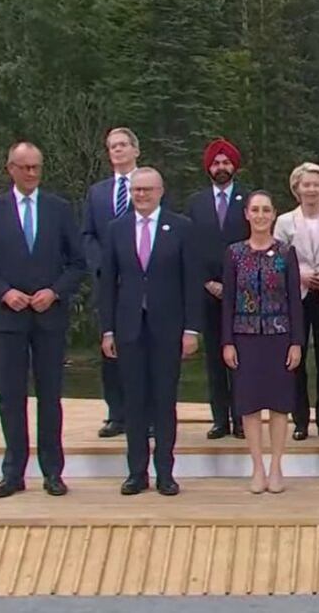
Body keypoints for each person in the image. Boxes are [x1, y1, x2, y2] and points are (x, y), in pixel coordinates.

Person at [0, 141, 86, 498]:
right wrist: (5, 292)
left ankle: (53, 472)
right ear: (11, 169)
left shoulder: (59, 209)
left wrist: (54, 291)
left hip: (49, 317)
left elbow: (77, 264)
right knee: (11, 396)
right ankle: (14, 472)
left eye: (37, 167)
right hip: (9, 318)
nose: (32, 174)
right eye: (25, 167)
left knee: (50, 396)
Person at [99, 167, 202, 496]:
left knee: (163, 401)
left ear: (160, 191)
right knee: (134, 401)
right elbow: (107, 285)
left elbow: (191, 283)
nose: (141, 195)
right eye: (136, 190)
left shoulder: (181, 228)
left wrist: (191, 329)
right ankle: (136, 472)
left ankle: (165, 473)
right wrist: (107, 330)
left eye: (147, 189)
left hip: (167, 327)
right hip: (128, 327)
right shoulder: (117, 229)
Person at [222, 191, 304, 493]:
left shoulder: (285, 253)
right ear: (246, 214)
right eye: (254, 210)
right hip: (244, 336)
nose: (260, 215)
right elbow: (227, 299)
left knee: (280, 405)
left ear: (273, 215)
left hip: (279, 335)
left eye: (265, 210)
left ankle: (276, 466)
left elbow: (295, 299)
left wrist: (297, 341)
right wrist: (227, 341)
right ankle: (256, 466)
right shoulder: (234, 253)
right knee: (250, 404)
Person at [273, 163, 319, 442]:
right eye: (306, 184)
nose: (311, 189)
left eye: (316, 184)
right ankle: (300, 421)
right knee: (296, 360)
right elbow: (277, 258)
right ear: (296, 188)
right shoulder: (284, 221)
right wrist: (300, 275)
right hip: (297, 295)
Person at [186, 138, 250, 440]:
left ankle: (241, 419)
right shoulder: (195, 203)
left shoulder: (248, 200)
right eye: (216, 163)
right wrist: (207, 282)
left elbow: (256, 242)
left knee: (241, 357)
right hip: (208, 291)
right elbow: (190, 248)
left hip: (243, 291)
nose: (221, 167)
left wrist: (239, 282)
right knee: (213, 357)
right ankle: (219, 420)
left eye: (226, 162)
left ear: (234, 166)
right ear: (208, 168)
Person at [83, 127, 141, 438]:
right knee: (110, 347)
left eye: (122, 145)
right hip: (108, 282)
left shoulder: (148, 186)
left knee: (143, 346)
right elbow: (87, 234)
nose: (116, 151)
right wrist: (102, 265)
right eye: (111, 146)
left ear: (135, 150)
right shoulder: (98, 192)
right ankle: (116, 414)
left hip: (141, 280)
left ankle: (144, 414)